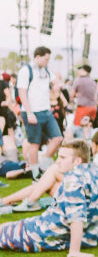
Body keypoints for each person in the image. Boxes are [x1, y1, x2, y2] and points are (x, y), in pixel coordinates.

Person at [0, 140, 98, 256]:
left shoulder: (73, 178)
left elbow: (76, 217)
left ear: (77, 161)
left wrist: (74, 252)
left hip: (42, 235)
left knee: (3, 230)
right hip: (82, 239)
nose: (58, 161)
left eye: (63, 157)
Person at [17, 46, 63, 181]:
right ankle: (35, 173)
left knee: (58, 138)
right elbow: (22, 92)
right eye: (46, 59)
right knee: (34, 144)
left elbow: (55, 81)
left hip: (46, 110)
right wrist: (29, 113)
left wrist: (56, 85)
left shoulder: (46, 70)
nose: (47, 62)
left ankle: (43, 162)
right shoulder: (26, 71)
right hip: (31, 112)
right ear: (37, 57)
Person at [70, 65, 98, 129]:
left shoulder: (78, 80)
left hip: (83, 108)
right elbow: (95, 97)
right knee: (89, 126)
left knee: (78, 127)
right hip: (93, 107)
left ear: (83, 70)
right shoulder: (93, 82)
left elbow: (71, 95)